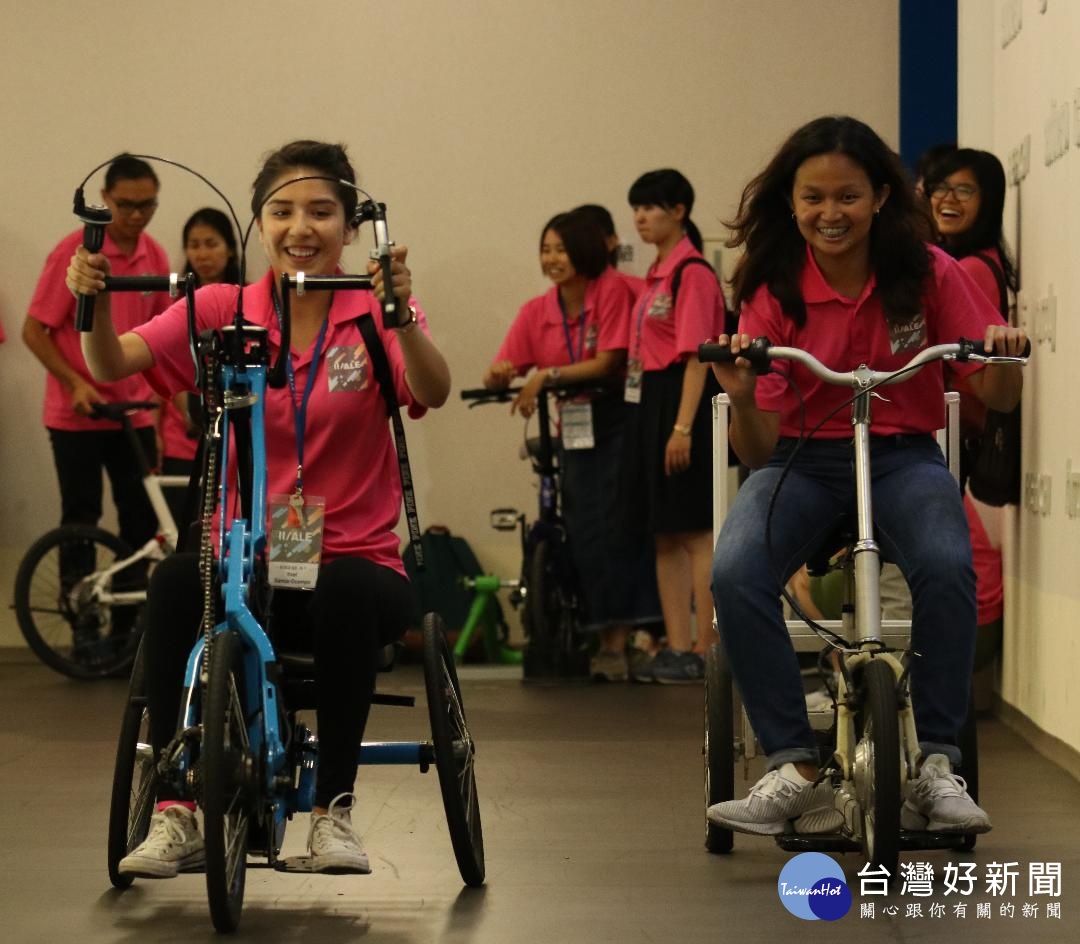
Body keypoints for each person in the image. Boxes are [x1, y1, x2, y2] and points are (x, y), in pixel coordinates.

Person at [68, 139, 450, 875]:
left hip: (356, 565)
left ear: (349, 224)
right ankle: (177, 809)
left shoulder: (373, 312)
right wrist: (88, 301)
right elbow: (112, 363)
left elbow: (430, 390)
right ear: (259, 221)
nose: (299, 226)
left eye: (320, 211)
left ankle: (333, 813)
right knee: (180, 580)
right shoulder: (220, 310)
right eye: (281, 210)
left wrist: (402, 313)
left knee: (342, 586)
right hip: (247, 567)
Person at [706, 116, 1025, 838]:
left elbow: (998, 396)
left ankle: (938, 766)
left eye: (847, 196)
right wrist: (746, 390)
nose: (830, 214)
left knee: (948, 566)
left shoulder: (929, 272)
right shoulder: (773, 287)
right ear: (791, 202)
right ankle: (795, 764)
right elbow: (757, 450)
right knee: (735, 571)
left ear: (881, 196)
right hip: (801, 459)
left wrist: (1001, 354)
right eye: (813, 197)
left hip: (904, 456)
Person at [483, 210, 660, 681]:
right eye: (546, 249)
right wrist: (502, 372)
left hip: (621, 417)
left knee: (619, 522)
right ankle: (599, 632)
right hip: (575, 424)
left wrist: (545, 375)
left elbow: (609, 362)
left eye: (560, 249)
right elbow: (502, 365)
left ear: (585, 249)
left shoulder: (614, 291)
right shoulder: (537, 310)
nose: (551, 258)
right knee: (583, 525)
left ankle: (623, 637)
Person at [23, 154, 169, 648]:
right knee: (81, 518)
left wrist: (166, 410)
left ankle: (128, 631)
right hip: (78, 416)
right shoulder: (77, 252)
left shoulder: (156, 256)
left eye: (147, 204)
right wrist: (73, 382)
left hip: (135, 412)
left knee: (141, 523)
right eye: (126, 204)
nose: (136, 215)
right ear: (105, 199)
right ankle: (83, 624)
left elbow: (163, 340)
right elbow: (33, 330)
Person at [623, 169, 725, 683]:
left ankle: (707, 647)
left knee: (694, 530)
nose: (641, 217)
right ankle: (678, 645)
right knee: (664, 534)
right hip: (649, 404)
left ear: (679, 211)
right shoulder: (657, 274)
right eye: (636, 208)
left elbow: (697, 359)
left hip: (681, 403)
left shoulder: (694, 274)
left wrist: (683, 429)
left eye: (651, 207)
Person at [159, 208, 242, 534]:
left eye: (211, 243)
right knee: (185, 533)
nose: (202, 253)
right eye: (194, 245)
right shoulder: (176, 302)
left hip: (236, 436)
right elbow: (164, 372)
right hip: (184, 438)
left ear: (230, 248)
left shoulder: (248, 299)